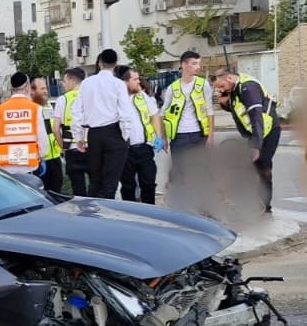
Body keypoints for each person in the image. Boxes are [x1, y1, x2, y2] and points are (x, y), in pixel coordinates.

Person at [212, 68, 281, 212]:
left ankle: (265, 207)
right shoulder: (235, 89)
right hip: (255, 133)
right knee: (248, 166)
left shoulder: (248, 88)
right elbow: (238, 110)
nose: (220, 90)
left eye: (221, 86)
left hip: (268, 131)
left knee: (263, 166)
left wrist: (256, 144)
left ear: (229, 78)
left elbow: (256, 115)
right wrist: (225, 104)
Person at [74, 48, 129, 199]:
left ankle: (92, 214)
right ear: (116, 64)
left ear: (99, 63)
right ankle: (106, 213)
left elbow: (77, 112)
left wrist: (79, 137)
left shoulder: (86, 84)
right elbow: (125, 112)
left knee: (95, 180)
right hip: (114, 132)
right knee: (110, 183)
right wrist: (125, 135)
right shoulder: (118, 84)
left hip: (94, 135)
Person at [161, 50, 215, 186]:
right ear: (183, 65)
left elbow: (210, 110)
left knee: (202, 172)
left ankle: (203, 204)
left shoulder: (203, 85)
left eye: (198, 64)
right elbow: (163, 113)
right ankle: (182, 204)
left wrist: (211, 136)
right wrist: (163, 138)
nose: (198, 67)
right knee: (180, 172)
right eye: (194, 63)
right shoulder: (172, 88)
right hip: (179, 137)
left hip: (199, 135)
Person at [117, 67, 163, 204]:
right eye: (135, 79)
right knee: (128, 186)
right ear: (124, 82)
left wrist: (158, 136)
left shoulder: (142, 97)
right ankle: (131, 215)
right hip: (125, 151)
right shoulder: (116, 100)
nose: (139, 82)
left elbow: (154, 115)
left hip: (144, 148)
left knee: (148, 183)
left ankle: (150, 213)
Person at [0, 72, 48, 174]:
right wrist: (43, 156)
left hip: (7, 166)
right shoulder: (35, 109)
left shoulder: (0, 110)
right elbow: (41, 136)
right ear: (27, 87)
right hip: (29, 165)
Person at [53, 67, 89, 196]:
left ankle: (82, 213)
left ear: (72, 80)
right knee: (96, 186)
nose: (63, 84)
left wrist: (63, 146)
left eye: (64, 81)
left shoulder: (63, 99)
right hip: (92, 149)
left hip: (72, 150)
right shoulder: (90, 96)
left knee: (78, 189)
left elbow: (55, 129)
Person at [30, 76, 63, 193]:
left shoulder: (48, 106)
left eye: (46, 88)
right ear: (33, 91)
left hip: (54, 157)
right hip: (39, 161)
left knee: (57, 191)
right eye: (42, 88)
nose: (45, 91)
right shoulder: (30, 109)